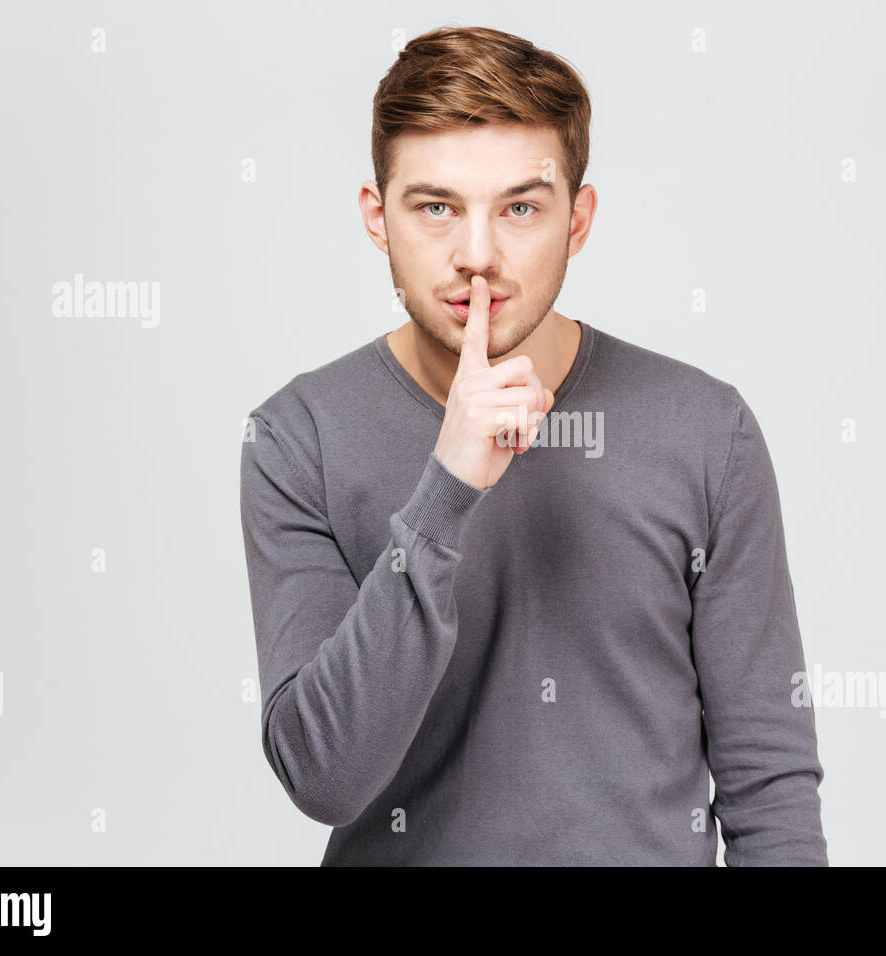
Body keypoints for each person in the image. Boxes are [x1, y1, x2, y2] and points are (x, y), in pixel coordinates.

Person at [240, 25, 828, 866]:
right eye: (435, 206)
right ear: (378, 218)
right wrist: (447, 486)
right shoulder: (298, 438)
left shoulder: (705, 430)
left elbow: (770, 783)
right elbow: (323, 775)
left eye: (520, 207)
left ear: (578, 219)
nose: (476, 257)